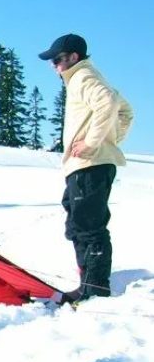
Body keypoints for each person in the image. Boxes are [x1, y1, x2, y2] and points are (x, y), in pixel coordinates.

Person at [38, 33, 133, 303]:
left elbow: (110, 104)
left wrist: (94, 143)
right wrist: (108, 140)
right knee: (78, 224)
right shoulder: (84, 77)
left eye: (57, 59)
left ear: (73, 57)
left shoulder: (83, 77)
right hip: (86, 165)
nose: (53, 65)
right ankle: (87, 286)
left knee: (89, 227)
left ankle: (96, 290)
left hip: (90, 165)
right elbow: (126, 112)